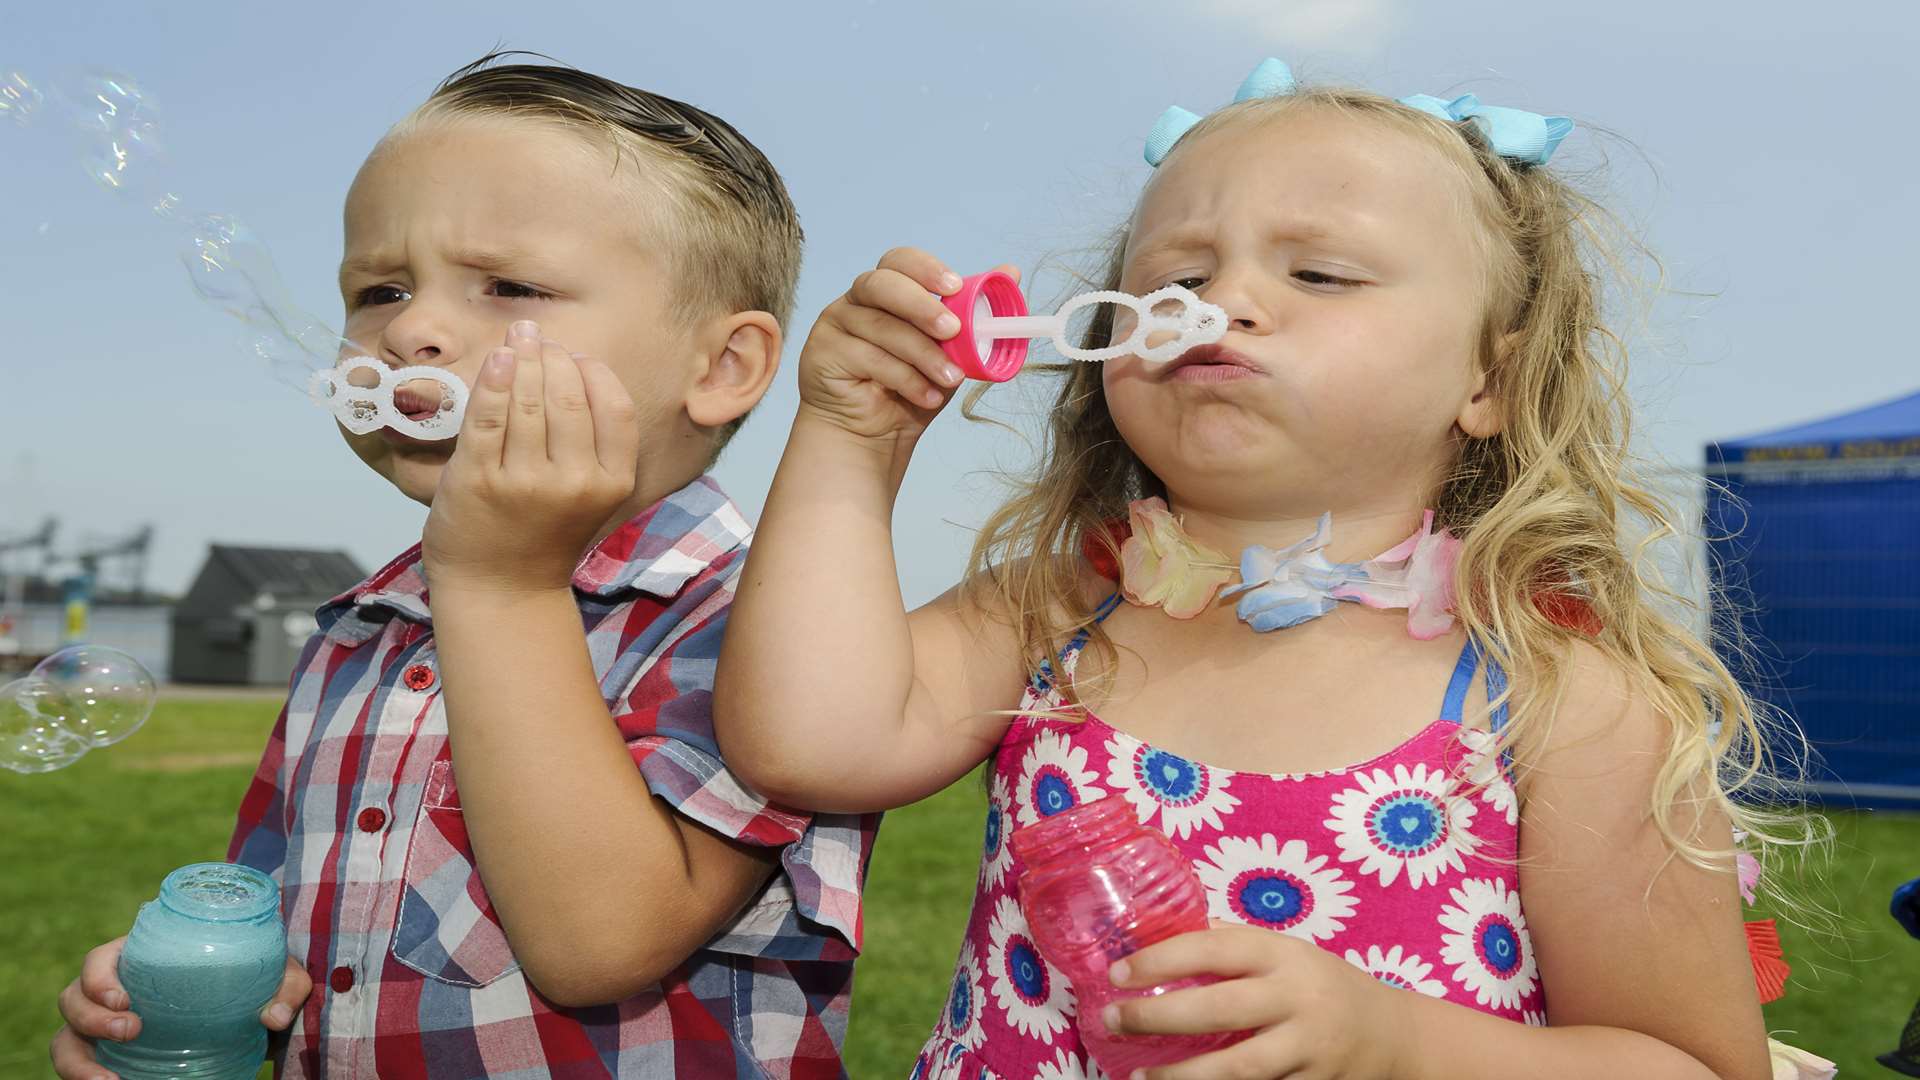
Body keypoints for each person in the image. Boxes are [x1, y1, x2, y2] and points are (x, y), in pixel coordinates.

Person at [715, 59, 1791, 1078]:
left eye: (1317, 272)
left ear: (1490, 379)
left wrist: (1394, 1044)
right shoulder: (1057, 610)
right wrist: (853, 441)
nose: (1219, 301)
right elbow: (809, 746)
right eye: (1176, 276)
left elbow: (1691, 1062)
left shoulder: (1562, 704)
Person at [52, 53, 872, 1080]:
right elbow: (279, 940)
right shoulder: (362, 629)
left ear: (721, 368)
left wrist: (501, 583)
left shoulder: (765, 621)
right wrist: (185, 994)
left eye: (511, 286)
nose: (411, 329)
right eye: (378, 288)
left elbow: (602, 942)